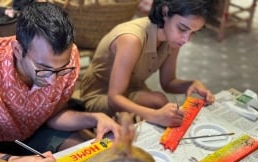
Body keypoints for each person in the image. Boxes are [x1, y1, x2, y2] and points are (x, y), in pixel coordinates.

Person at [0, 2, 120, 162]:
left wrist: (95, 118)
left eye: (60, 70)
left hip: (37, 129)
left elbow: (55, 116)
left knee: (96, 159)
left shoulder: (68, 58)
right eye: (43, 69)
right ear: (17, 50)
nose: (52, 81)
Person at [80, 0, 216, 128]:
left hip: (132, 88)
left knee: (164, 107)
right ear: (165, 12)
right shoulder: (132, 39)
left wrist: (191, 84)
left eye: (193, 33)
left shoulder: (174, 39)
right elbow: (114, 98)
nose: (186, 39)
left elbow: (168, 83)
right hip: (100, 95)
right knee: (159, 103)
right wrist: (156, 116)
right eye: (182, 28)